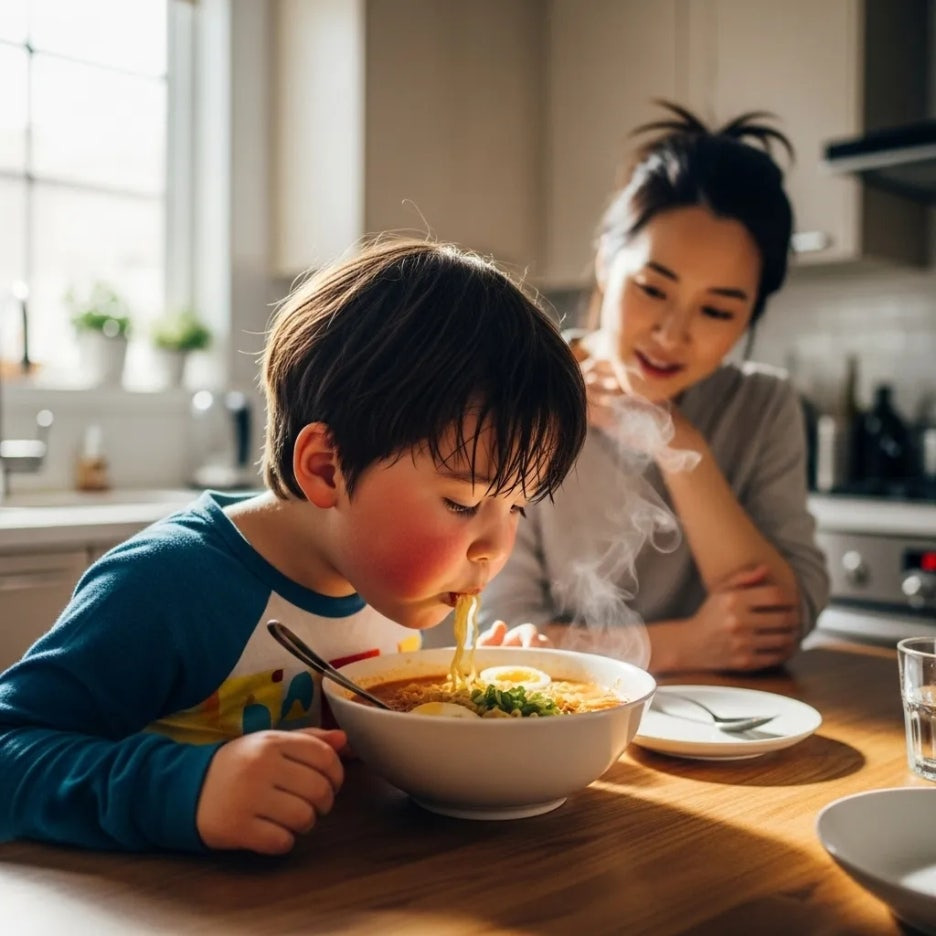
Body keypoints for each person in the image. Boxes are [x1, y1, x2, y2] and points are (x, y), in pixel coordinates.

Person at [0, 238, 586, 855]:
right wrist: (188, 791)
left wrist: (476, 703)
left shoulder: (385, 584)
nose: (495, 547)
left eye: (516, 506)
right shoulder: (170, 587)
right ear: (328, 468)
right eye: (464, 504)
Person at [482, 102, 829, 674]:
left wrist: (679, 447)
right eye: (651, 288)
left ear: (748, 319)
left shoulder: (763, 405)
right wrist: (686, 645)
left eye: (716, 310)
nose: (672, 334)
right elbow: (499, 637)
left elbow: (782, 620)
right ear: (604, 262)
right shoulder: (520, 394)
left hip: (731, 727)